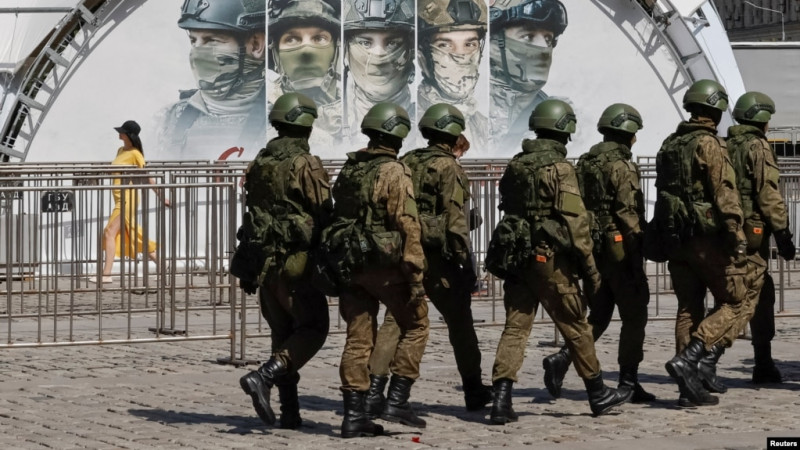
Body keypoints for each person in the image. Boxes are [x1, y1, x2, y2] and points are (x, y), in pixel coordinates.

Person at [484, 99, 631, 423]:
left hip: (517, 258)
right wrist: (590, 268)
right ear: (564, 130)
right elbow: (576, 223)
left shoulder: (517, 164)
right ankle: (597, 392)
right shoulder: (561, 169)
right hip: (549, 261)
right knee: (576, 325)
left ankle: (501, 400)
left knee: (515, 328)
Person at [363, 104, 492, 416]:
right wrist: (465, 263)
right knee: (460, 326)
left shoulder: (407, 160)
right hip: (439, 259)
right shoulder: (449, 168)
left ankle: (373, 392)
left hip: (405, 253)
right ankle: (473, 389)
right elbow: (456, 223)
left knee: (395, 321)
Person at [321, 102, 428, 438]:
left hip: (351, 264)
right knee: (417, 324)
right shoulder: (394, 171)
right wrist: (415, 273)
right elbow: (406, 222)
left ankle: (354, 415)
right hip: (385, 267)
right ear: (398, 135)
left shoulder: (351, 168)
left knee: (358, 338)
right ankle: (397, 399)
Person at [541, 103, 655, 403]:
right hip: (618, 248)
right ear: (628, 132)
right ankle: (628, 381)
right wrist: (638, 248)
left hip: (592, 246)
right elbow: (627, 212)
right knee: (635, 314)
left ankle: (564, 357)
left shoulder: (585, 162)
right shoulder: (623, 166)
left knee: (601, 312)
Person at [648, 79, 748, 407]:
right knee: (734, 302)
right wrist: (735, 231)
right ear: (716, 111)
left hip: (676, 236)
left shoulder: (670, 144)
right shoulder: (709, 144)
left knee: (688, 307)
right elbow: (723, 190)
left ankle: (687, 386)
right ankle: (690, 358)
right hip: (707, 238)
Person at [236, 93, 333, 430]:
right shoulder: (305, 164)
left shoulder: (260, 161)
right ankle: (264, 376)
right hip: (296, 262)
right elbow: (323, 210)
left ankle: (290, 412)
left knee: (282, 334)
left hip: (264, 261)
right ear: (306, 126)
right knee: (313, 328)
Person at [696, 92, 795, 392]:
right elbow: (768, 194)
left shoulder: (724, 144)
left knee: (747, 294)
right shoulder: (757, 146)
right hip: (752, 237)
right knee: (747, 299)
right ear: (762, 119)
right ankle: (706, 359)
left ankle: (761, 362)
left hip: (725, 233)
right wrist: (783, 234)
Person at [157, 0, 267, 160]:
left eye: (211, 40)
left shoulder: (283, 126)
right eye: (193, 41)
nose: (197, 52)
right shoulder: (167, 120)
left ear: (256, 45)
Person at [489, 0, 568, 151]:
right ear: (495, 41)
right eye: (528, 36)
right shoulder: (473, 110)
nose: (544, 47)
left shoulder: (556, 114)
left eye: (548, 39)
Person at [99, 120, 170, 283]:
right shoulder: (120, 150)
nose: (119, 133)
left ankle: (106, 274)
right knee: (131, 233)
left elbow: (147, 176)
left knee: (109, 232)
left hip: (127, 198)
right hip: (119, 197)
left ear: (129, 135)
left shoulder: (136, 154)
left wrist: (160, 196)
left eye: (122, 131)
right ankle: (161, 263)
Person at [267, 0, 342, 147]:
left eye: (319, 38)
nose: (306, 51)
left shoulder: (356, 112)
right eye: (292, 39)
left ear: (336, 50)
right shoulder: (261, 116)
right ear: (276, 52)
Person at [417, 0, 488, 150]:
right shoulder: (409, 129)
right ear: (422, 54)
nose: (461, 56)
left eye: (470, 44)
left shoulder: (485, 129)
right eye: (445, 45)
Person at [342, 0, 415, 145]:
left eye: (392, 43)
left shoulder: (424, 127)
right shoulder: (329, 129)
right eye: (365, 43)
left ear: (410, 51)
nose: (379, 57)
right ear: (346, 49)